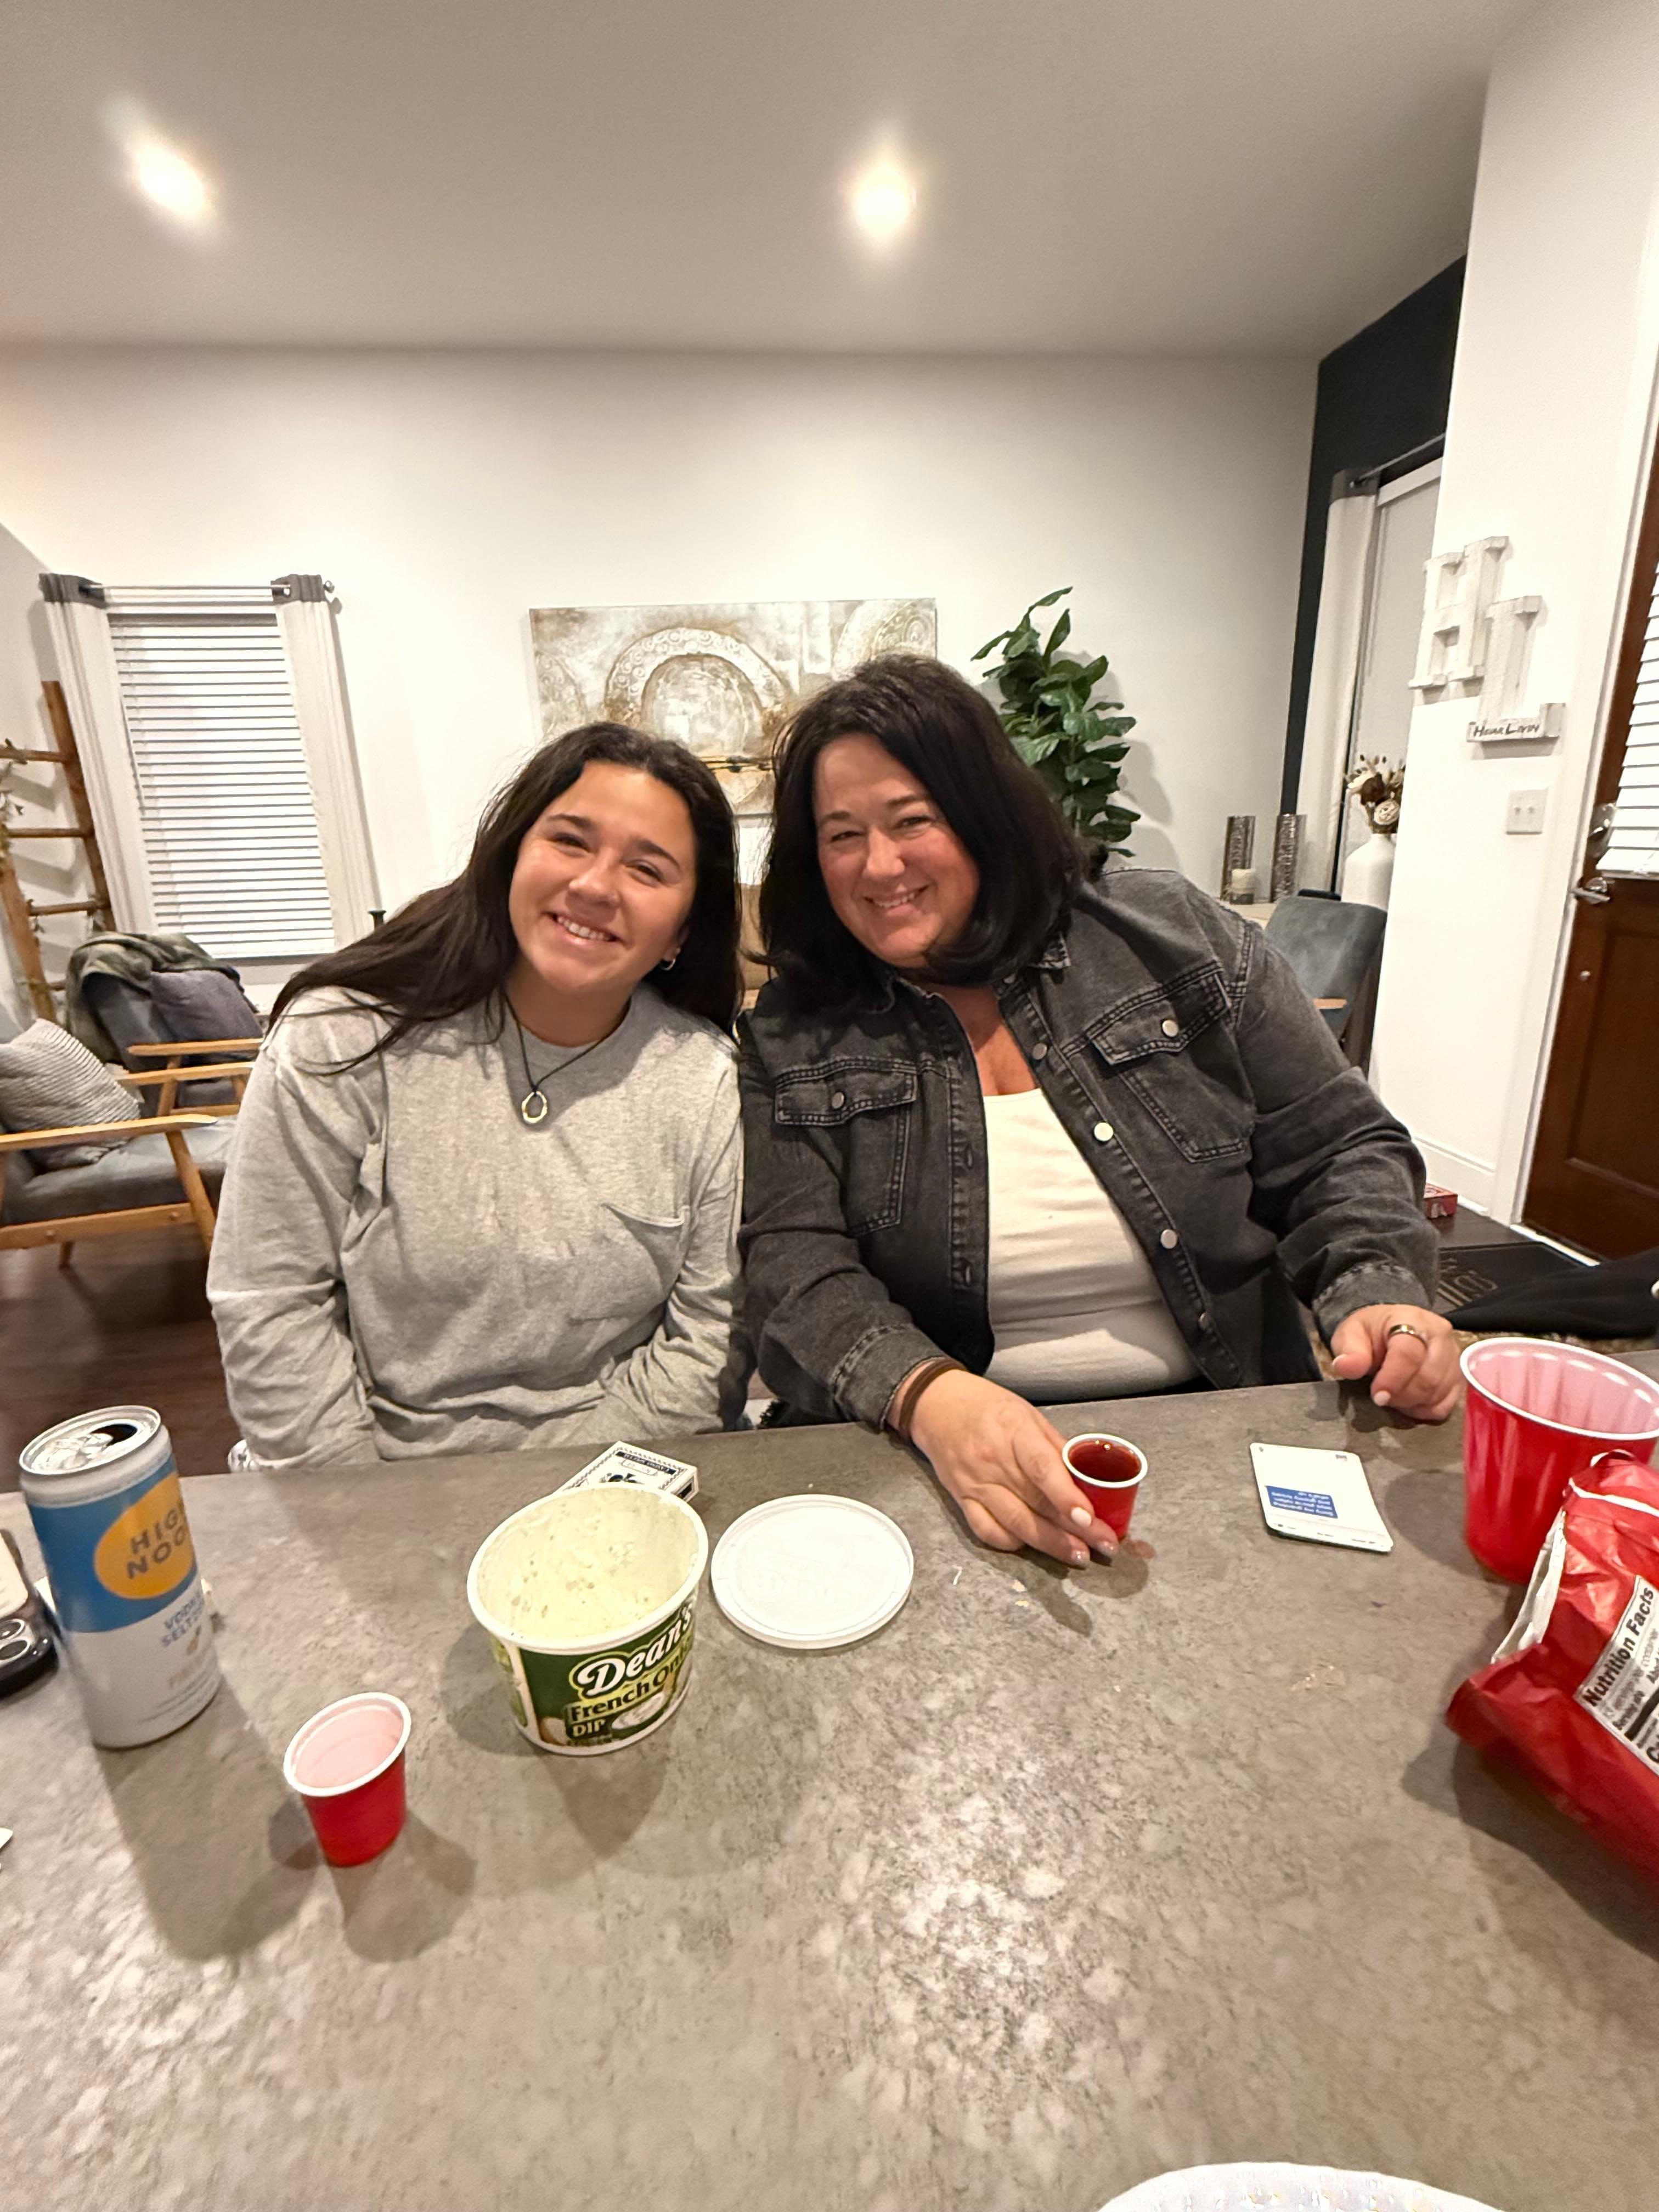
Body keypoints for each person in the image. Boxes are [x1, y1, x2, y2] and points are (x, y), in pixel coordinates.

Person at [738, 654, 1455, 1568]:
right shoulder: (794, 1031)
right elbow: (792, 1265)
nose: (880, 866)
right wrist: (927, 1394)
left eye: (913, 820)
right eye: (842, 836)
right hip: (924, 1449)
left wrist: (1377, 1285)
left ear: (984, 815)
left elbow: (1337, 1147)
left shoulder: (1173, 936)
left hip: (1216, 1421)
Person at [208, 723, 746, 1468]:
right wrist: (362, 1506)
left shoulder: (705, 1076)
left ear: (682, 932)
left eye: (647, 870)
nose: (595, 886)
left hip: (614, 1472)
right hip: (375, 1477)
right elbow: (270, 1300)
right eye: (570, 841)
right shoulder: (341, 1036)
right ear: (511, 854)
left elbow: (708, 1339)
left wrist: (573, 1501)